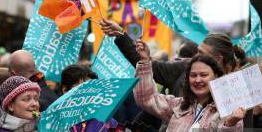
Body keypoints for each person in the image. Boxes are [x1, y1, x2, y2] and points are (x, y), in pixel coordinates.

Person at [132, 40, 246, 132]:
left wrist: (230, 125)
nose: (197, 80)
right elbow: (146, 98)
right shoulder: (178, 105)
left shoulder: (228, 113)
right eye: (193, 75)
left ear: (216, 77)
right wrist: (144, 61)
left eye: (203, 75)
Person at [100, 19, 244, 96]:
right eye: (193, 76)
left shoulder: (239, 87)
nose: (197, 80)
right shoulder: (184, 68)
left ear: (218, 59)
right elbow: (152, 70)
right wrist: (121, 35)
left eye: (201, 54)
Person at [53, 64, 117, 132]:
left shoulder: (108, 122)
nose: (89, 93)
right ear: (65, 90)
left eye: (92, 89)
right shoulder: (52, 122)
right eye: (83, 88)